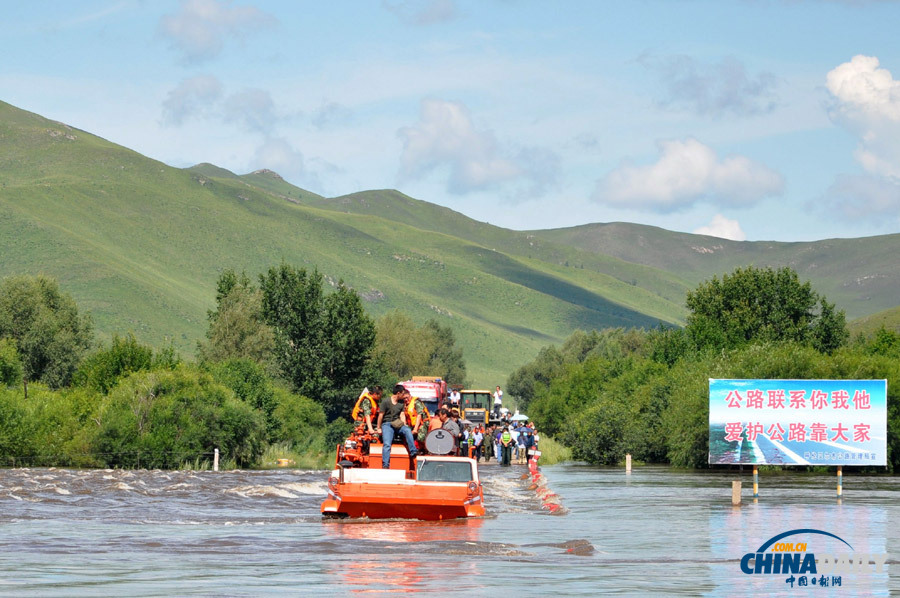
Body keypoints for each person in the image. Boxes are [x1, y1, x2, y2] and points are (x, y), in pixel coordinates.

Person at [376, 384, 418, 469]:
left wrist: (404, 424)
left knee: (407, 430)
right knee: (387, 443)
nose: (404, 396)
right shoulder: (385, 402)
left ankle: (413, 451)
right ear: (398, 393)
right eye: (402, 394)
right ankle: (385, 465)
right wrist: (379, 428)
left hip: (397, 423)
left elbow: (402, 414)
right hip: (387, 424)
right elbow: (381, 415)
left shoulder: (401, 403)